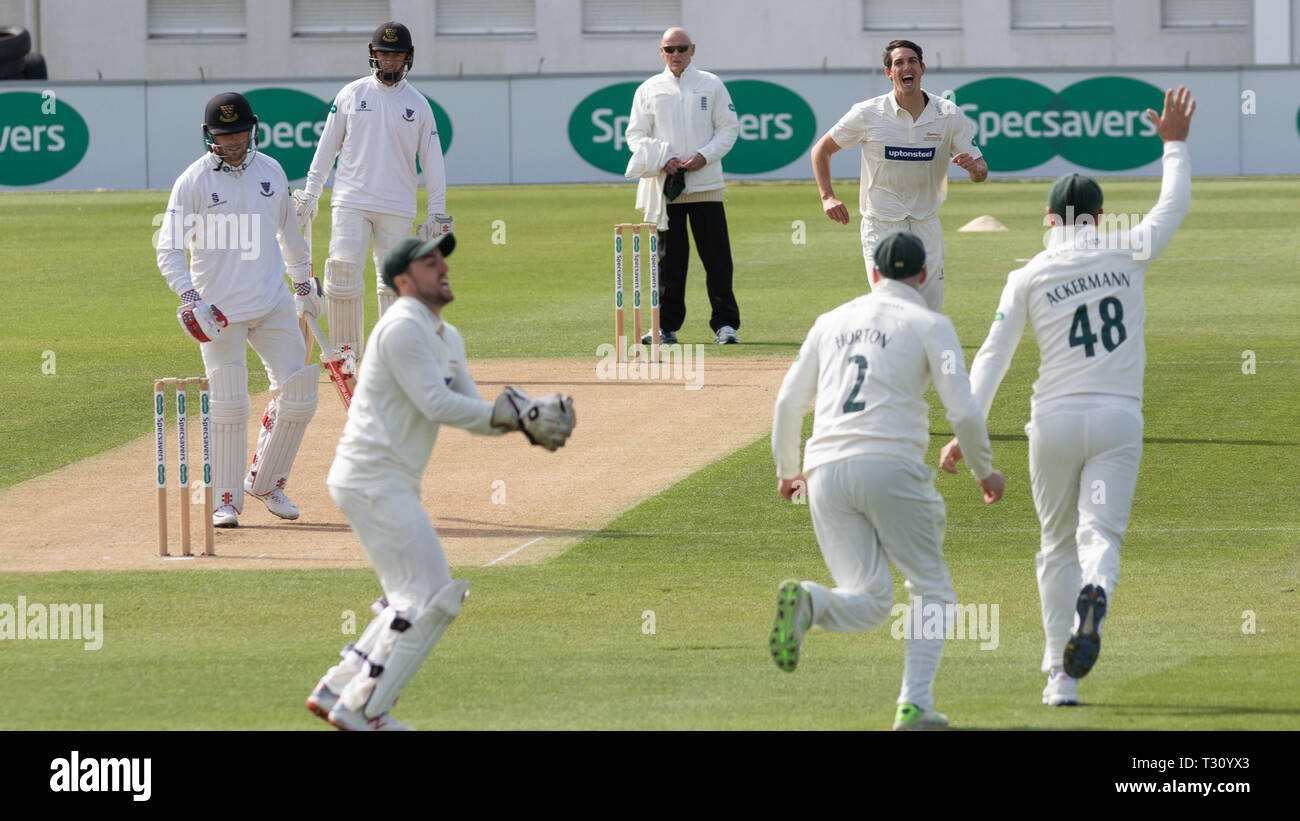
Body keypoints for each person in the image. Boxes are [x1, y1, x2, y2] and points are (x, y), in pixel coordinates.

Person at [940, 86, 1196, 708]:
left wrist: (965, 433)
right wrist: (1175, 145)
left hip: (1052, 423)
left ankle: (1060, 675)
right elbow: (1173, 206)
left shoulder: (1027, 274)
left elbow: (993, 359)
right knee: (1099, 534)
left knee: (1055, 546)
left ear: (1050, 220)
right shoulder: (1128, 248)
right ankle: (1097, 592)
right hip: (1117, 419)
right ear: (1100, 217)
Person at [306, 233, 576, 731]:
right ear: (405, 282)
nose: (442, 269)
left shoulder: (447, 337)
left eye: (442, 261)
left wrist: (521, 415)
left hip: (389, 480)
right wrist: (519, 416)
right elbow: (436, 404)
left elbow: (473, 415)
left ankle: (338, 688)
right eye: (429, 264)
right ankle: (365, 709)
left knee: (412, 594)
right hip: (371, 477)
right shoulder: (402, 329)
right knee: (431, 598)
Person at [769, 230, 1005, 730]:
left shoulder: (830, 321)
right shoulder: (930, 322)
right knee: (933, 589)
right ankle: (915, 705)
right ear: (923, 276)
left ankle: (810, 601)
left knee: (871, 599)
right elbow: (962, 409)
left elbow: (789, 401)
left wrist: (788, 469)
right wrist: (985, 470)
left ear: (874, 272)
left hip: (825, 471)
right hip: (891, 465)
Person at [156, 91, 323, 528]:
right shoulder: (192, 182)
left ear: (253, 130)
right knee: (229, 404)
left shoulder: (271, 171)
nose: (233, 143)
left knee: (300, 395)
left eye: (240, 134)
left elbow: (290, 236)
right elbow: (168, 250)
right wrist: (190, 297)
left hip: (272, 304)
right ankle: (225, 500)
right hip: (219, 313)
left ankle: (266, 481)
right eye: (224, 136)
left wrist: (303, 285)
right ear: (209, 136)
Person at [294, 20, 451, 361]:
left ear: (407, 58)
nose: (388, 62)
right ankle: (346, 352)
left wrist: (437, 212)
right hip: (351, 201)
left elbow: (433, 161)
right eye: (383, 55)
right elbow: (327, 147)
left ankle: (390, 354)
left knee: (394, 280)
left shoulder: (419, 105)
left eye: (395, 56)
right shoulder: (352, 94)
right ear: (373, 56)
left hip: (397, 205)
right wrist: (311, 191)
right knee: (343, 269)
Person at [811, 39, 987, 311]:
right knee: (890, 306)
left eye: (912, 61)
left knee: (929, 311)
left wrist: (975, 169)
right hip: (880, 225)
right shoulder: (867, 113)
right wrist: (827, 197)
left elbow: (981, 170)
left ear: (922, 68)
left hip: (926, 224)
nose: (907, 67)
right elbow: (821, 150)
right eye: (899, 63)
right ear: (888, 73)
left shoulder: (948, 114)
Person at [625, 26, 741, 346]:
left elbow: (728, 129)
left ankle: (726, 325)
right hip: (668, 186)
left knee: (717, 258)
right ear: (661, 52)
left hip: (706, 184)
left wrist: (704, 156)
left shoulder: (711, 84)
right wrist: (663, 160)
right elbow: (635, 135)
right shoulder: (649, 89)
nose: (676, 55)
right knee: (670, 262)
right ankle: (665, 326)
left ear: (693, 49)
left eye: (682, 48)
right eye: (670, 49)